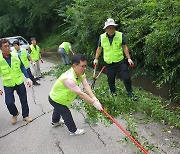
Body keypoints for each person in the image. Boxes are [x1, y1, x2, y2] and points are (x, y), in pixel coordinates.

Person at [49, 53, 102, 135]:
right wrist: (94, 103)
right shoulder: (69, 79)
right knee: (65, 112)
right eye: (82, 66)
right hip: (56, 98)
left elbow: (86, 85)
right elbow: (80, 94)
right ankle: (73, 130)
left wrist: (94, 97)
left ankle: (55, 121)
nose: (84, 68)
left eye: (85, 66)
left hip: (58, 98)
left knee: (58, 109)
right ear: (74, 65)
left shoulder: (80, 74)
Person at [93, 18, 136, 99]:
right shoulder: (102, 37)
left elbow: (125, 47)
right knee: (110, 80)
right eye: (109, 27)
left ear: (114, 27)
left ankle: (130, 93)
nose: (111, 29)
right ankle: (113, 93)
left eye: (112, 27)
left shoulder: (120, 35)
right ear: (106, 29)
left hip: (120, 62)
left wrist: (129, 58)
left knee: (126, 78)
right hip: (109, 63)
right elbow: (99, 48)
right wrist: (96, 58)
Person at [0, 39, 33, 124]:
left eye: (8, 46)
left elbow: (22, 67)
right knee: (9, 103)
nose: (8, 48)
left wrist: (28, 78)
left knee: (24, 100)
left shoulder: (15, 55)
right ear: (1, 48)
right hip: (8, 84)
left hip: (19, 82)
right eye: (5, 46)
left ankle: (25, 116)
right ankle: (15, 114)